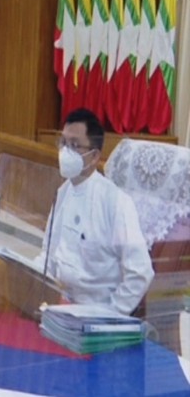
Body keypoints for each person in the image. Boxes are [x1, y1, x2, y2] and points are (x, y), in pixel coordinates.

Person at [42, 108, 153, 315]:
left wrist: (109, 315)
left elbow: (141, 273)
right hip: (59, 307)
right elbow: (48, 255)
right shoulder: (63, 193)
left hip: (97, 314)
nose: (65, 152)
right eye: (63, 143)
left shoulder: (115, 202)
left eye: (74, 145)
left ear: (94, 156)